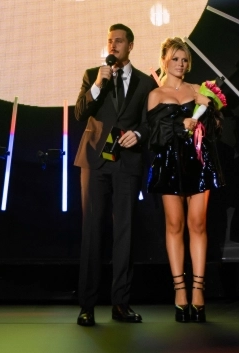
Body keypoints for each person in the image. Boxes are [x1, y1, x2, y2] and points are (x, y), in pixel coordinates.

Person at [73, 23, 157, 327]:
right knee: (92, 232)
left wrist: (139, 133)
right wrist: (98, 83)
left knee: (125, 232)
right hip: (95, 161)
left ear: (130, 45)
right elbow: (80, 113)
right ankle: (87, 306)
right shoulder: (93, 75)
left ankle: (121, 303)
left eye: (119, 41)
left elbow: (150, 123)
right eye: (110, 40)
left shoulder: (145, 83)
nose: (113, 45)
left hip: (127, 162)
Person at [145, 37, 226, 323]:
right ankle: (180, 291)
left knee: (198, 224)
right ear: (164, 60)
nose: (180, 64)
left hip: (198, 162)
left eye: (184, 60)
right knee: (174, 225)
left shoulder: (197, 90)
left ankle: (198, 292)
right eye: (175, 59)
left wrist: (210, 109)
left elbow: (214, 130)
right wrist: (181, 124)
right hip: (169, 164)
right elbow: (155, 135)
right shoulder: (156, 94)